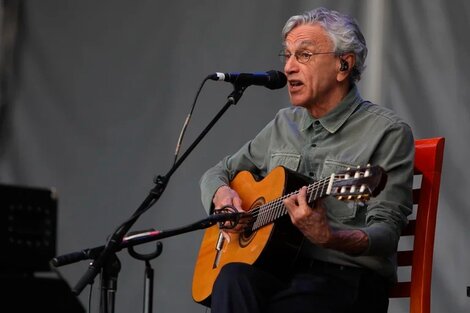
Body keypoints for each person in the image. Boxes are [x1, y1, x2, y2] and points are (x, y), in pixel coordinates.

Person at [199, 7, 414, 313]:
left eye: (304, 55)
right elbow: (218, 172)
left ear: (343, 65)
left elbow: (386, 232)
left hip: (345, 280)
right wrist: (223, 197)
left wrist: (332, 237)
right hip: (281, 271)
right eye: (286, 55)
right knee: (231, 278)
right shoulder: (283, 123)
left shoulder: (387, 132)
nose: (288, 67)